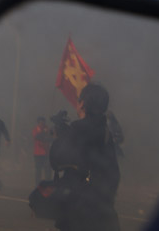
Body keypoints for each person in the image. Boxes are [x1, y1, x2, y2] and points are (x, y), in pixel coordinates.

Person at [50, 84, 120, 231]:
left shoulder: (78, 129)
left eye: (79, 100)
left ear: (83, 104)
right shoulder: (105, 132)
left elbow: (56, 160)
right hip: (104, 215)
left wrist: (59, 137)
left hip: (79, 215)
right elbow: (115, 174)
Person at [33, 116, 53, 185]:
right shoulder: (35, 130)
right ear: (38, 123)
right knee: (38, 170)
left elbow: (51, 138)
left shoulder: (48, 129)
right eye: (40, 123)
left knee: (48, 170)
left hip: (46, 153)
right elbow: (37, 137)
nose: (42, 124)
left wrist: (46, 133)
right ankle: (37, 185)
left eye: (43, 123)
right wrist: (44, 132)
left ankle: (47, 185)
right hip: (38, 154)